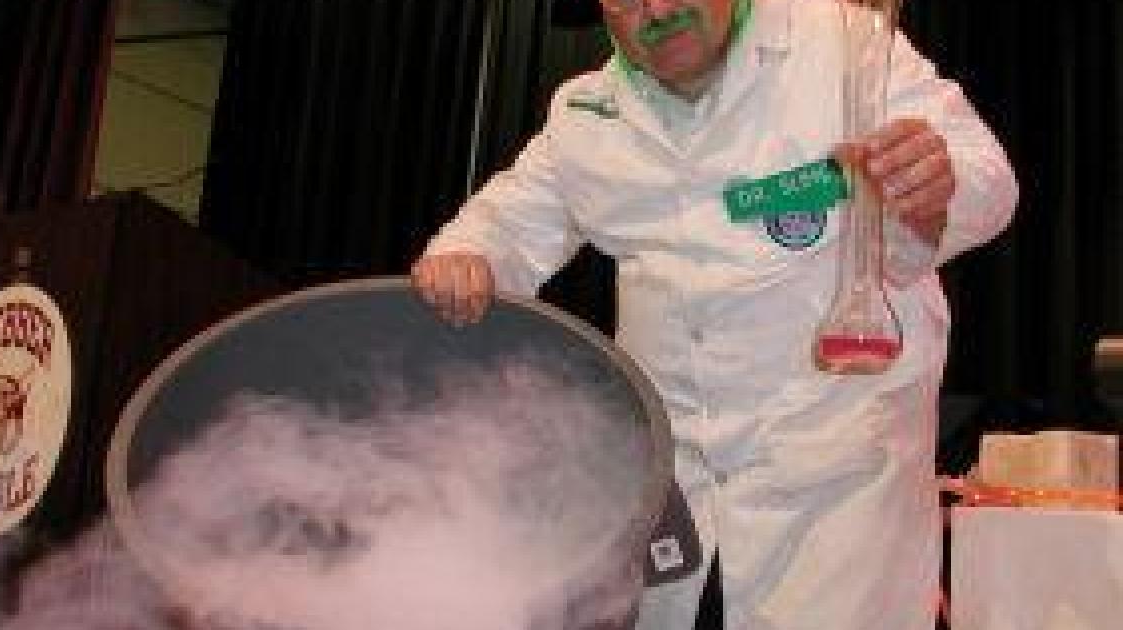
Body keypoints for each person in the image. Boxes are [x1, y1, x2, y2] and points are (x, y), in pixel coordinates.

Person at [412, 0, 1018, 628]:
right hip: (674, 478)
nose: (657, 9)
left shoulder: (841, 42)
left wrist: (938, 182)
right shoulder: (588, 111)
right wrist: (467, 257)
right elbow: (504, 225)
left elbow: (988, 179)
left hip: (836, 471)